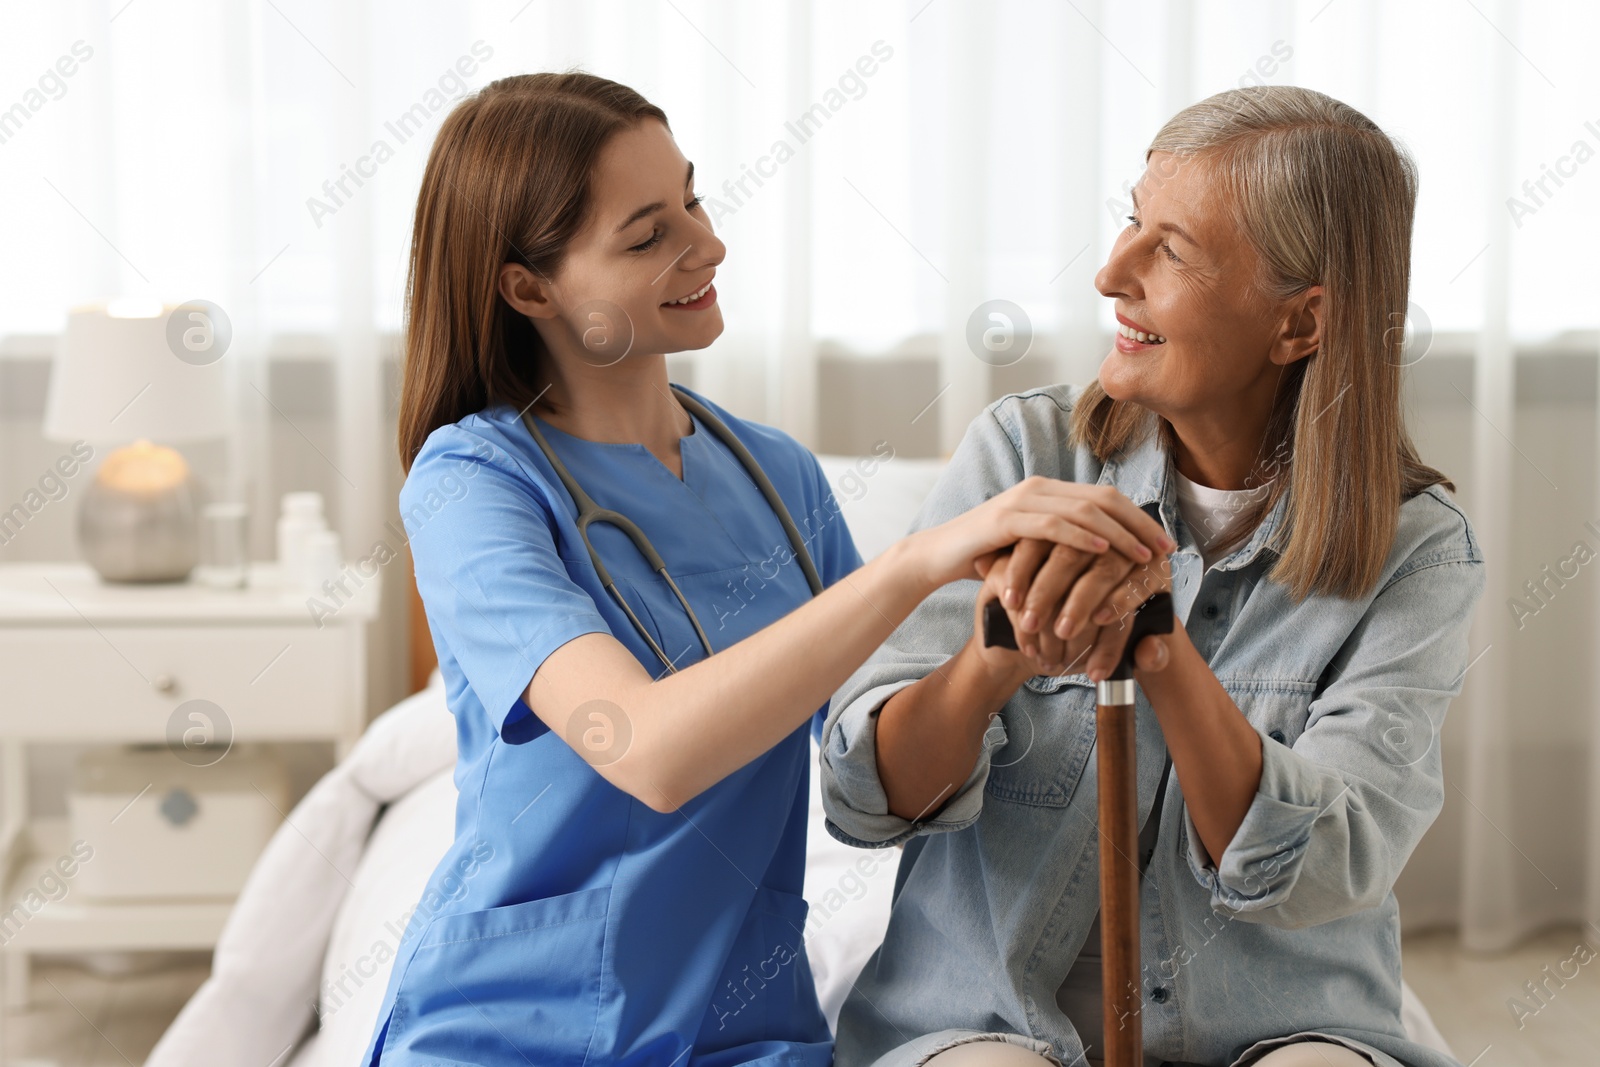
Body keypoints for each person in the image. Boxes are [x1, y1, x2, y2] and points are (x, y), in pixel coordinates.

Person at [362, 72, 1172, 1067]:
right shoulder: (473, 480)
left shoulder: (772, 472)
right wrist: (917, 561)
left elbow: (878, 750)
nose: (708, 245)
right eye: (647, 234)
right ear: (529, 288)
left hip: (747, 1027)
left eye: (693, 201)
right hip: (515, 1024)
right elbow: (647, 749)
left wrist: (1017, 635)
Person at [819, 86, 1485, 1067]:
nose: (1109, 271)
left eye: (1169, 250)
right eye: (1131, 220)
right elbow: (866, 793)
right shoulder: (1021, 454)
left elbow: (1328, 863)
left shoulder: (1417, 551)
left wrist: (1161, 654)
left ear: (1300, 323)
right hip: (982, 1012)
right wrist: (999, 654)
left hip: (1278, 1018)